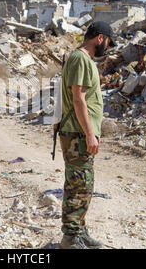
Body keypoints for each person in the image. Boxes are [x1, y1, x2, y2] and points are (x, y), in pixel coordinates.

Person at [59, 21, 116, 249]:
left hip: (80, 134)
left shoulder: (85, 60)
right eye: (109, 43)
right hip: (77, 135)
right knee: (77, 185)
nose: (108, 48)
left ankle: (79, 231)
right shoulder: (81, 59)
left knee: (84, 185)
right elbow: (78, 99)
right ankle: (70, 238)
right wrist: (90, 134)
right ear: (100, 38)